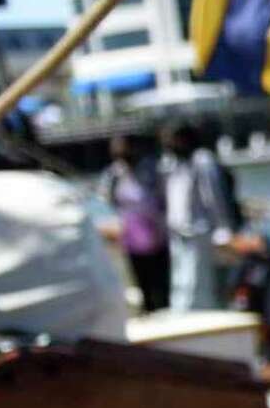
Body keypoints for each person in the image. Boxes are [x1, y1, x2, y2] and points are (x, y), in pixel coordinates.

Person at [160, 119, 236, 310]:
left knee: (199, 283)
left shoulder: (202, 160)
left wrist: (223, 229)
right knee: (180, 281)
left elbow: (214, 197)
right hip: (178, 231)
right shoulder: (172, 163)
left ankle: (201, 318)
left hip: (200, 231)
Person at [96, 132, 170, 311]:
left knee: (161, 280)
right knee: (140, 278)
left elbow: (165, 197)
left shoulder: (152, 169)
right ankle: (148, 310)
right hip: (131, 235)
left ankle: (165, 309)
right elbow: (105, 201)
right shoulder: (113, 174)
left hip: (157, 232)